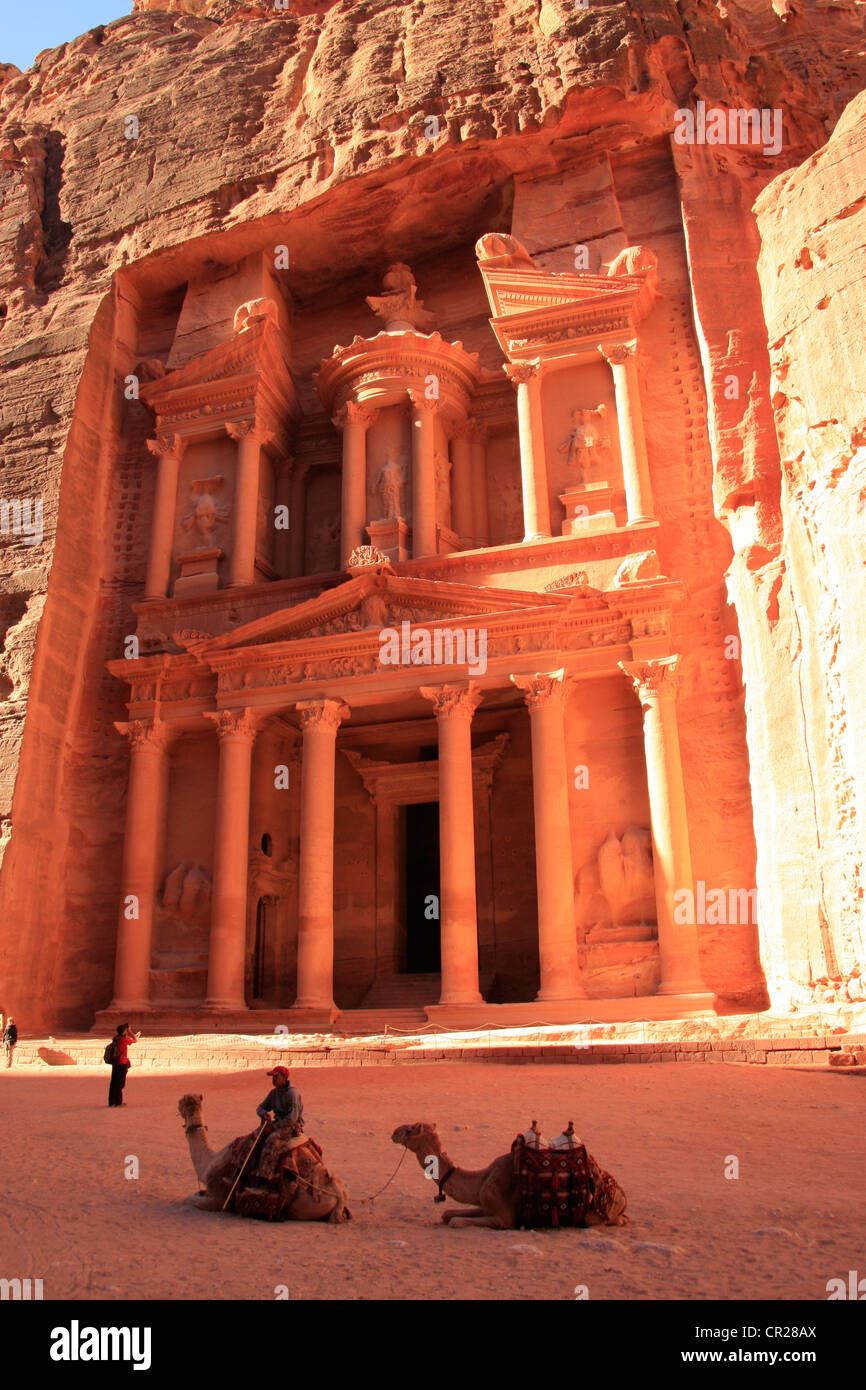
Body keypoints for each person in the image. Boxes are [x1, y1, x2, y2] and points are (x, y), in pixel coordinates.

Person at [256, 1066, 303, 1130]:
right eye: (273, 1077)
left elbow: (292, 1118)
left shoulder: (292, 1093)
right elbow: (260, 1108)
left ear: (284, 1077)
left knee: (272, 1136)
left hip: (291, 1126)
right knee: (256, 1134)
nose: (274, 1079)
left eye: (276, 1076)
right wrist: (264, 1114)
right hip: (278, 1123)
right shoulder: (273, 1093)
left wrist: (274, 1126)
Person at [108, 1022, 140, 1107]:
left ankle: (112, 1102)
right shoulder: (124, 1040)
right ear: (124, 1031)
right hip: (122, 1063)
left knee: (113, 1082)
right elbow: (135, 1040)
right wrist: (130, 1031)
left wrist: (126, 1031)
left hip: (115, 1063)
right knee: (120, 1083)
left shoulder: (116, 1038)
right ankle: (118, 1102)